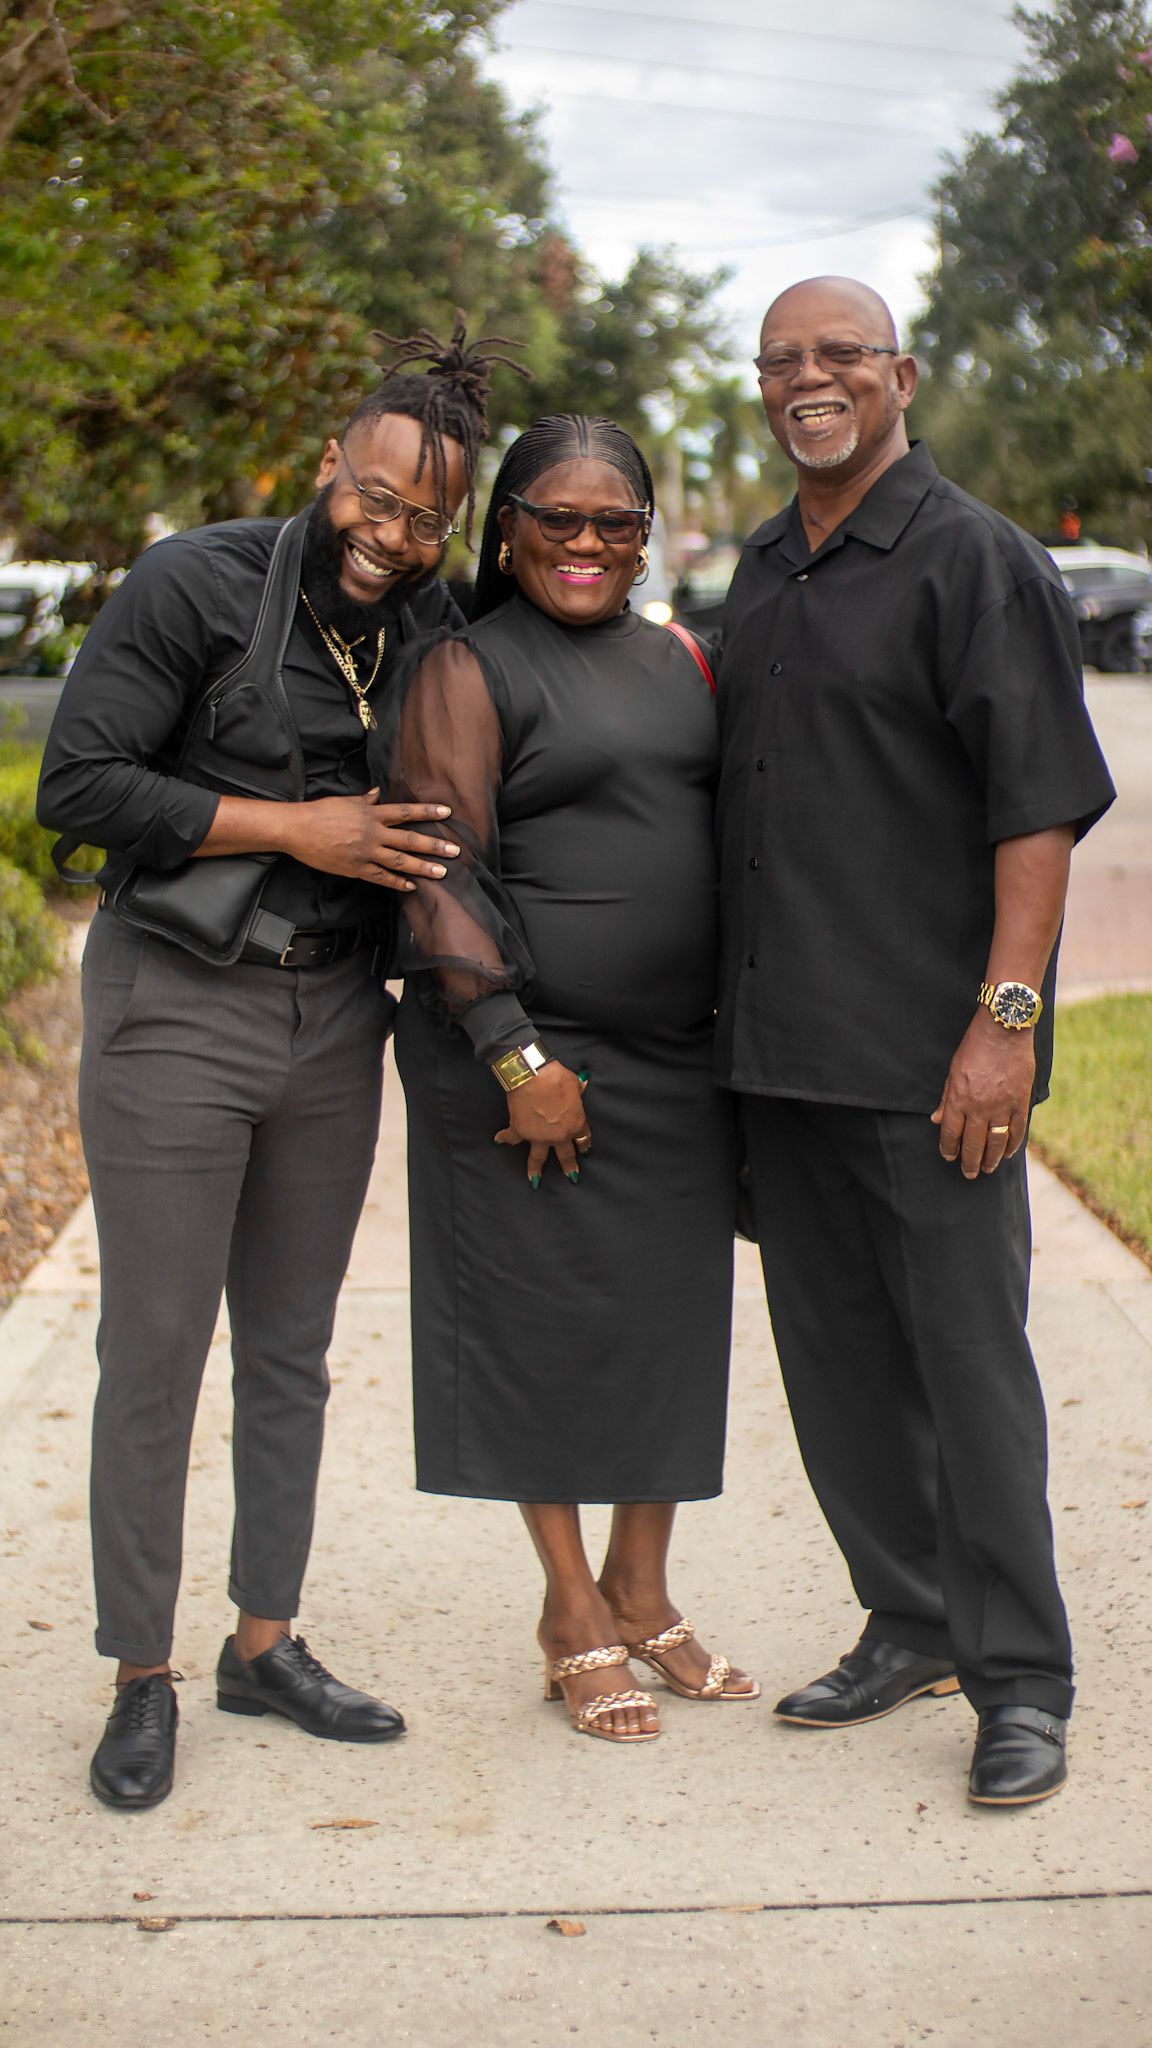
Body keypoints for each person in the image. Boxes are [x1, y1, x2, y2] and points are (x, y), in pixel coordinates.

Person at [37, 321, 509, 1810]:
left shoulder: (430, 628)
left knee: (291, 1349)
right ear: (327, 465)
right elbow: (81, 783)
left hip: (336, 1014)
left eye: (427, 518)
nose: (392, 535)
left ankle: (263, 1643)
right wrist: (297, 828)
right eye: (376, 497)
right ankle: (141, 1673)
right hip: (179, 998)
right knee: (156, 1351)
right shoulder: (196, 582)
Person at [716, 277, 1115, 1806]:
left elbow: (1037, 811)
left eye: (841, 354)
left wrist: (1006, 1027)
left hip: (932, 1061)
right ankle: (910, 1617)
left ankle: (1022, 1681)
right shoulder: (763, 567)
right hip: (782, 1055)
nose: (810, 378)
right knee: (836, 1372)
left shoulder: (974, 559)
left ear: (901, 374)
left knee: (966, 1376)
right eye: (784, 359)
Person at [381, 413, 757, 1743]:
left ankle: (641, 1589)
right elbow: (439, 871)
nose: (587, 543)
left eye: (616, 522)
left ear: (647, 538)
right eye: (560, 518)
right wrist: (515, 1051)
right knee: (536, 1331)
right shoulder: (466, 666)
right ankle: (569, 1609)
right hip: (526, 1060)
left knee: (668, 1330)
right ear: (509, 530)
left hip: (678, 1059)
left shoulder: (685, 659)